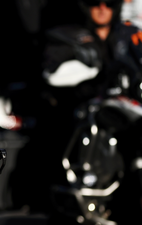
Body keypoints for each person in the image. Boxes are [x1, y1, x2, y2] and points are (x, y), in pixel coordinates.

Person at [38, 0, 142, 222]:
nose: (103, 7)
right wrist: (92, 75)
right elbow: (53, 74)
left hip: (130, 113)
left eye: (110, 2)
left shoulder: (131, 34)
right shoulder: (67, 35)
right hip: (81, 118)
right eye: (95, 1)